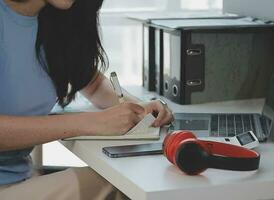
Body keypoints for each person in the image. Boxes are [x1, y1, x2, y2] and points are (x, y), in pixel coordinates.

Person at [0, 0, 173, 199]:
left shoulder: (52, 21)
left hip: (21, 179)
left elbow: (94, 84)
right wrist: (90, 122)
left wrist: (138, 107)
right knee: (122, 183)